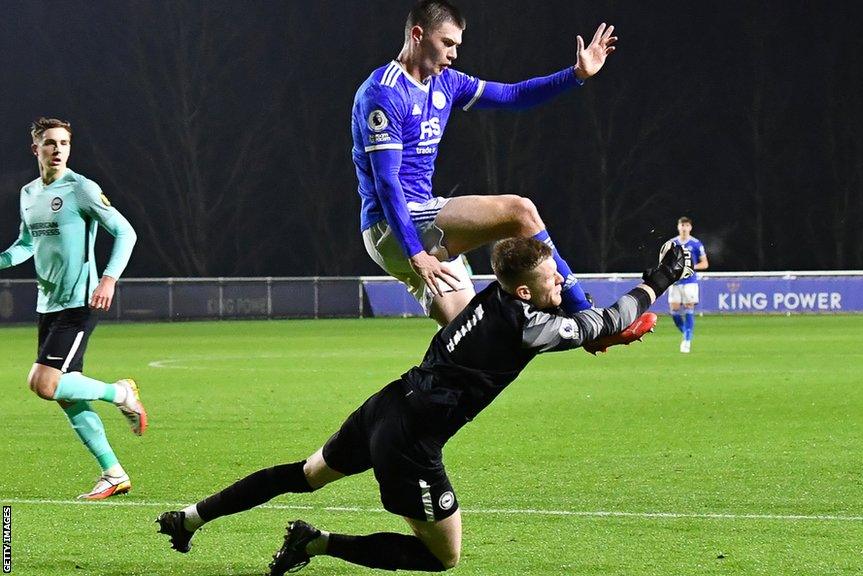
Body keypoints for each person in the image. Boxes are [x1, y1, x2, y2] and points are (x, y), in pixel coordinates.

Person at [157, 238, 692, 574]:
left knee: (303, 473)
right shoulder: (528, 327)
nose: (562, 281)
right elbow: (604, 321)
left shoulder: (492, 296)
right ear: (525, 292)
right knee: (442, 557)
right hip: (409, 443)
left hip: (387, 404)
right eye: (553, 277)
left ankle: (190, 517)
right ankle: (316, 544)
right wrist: (659, 280)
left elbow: (587, 318)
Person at [354, 0, 618, 325]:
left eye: (457, 46)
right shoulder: (384, 93)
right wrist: (416, 253)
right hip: (392, 227)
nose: (453, 54)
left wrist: (575, 74)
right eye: (447, 43)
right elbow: (387, 182)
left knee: (473, 340)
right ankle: (584, 314)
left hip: (420, 224)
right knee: (520, 212)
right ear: (418, 35)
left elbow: (512, 96)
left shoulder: (446, 83)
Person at [0, 117, 146, 499]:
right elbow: (25, 245)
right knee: (66, 394)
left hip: (82, 300)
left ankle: (120, 392)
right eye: (50, 143)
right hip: (48, 302)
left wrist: (109, 278)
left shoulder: (81, 188)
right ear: (36, 149)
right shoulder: (28, 193)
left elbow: (125, 232)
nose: (58, 149)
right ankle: (113, 473)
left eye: (64, 143)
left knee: (43, 383)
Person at [660, 216, 709, 353]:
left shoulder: (696, 244)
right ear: (678, 227)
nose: (684, 228)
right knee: (674, 311)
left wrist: (691, 267)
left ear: (690, 228)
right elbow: (665, 262)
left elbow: (705, 263)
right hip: (675, 282)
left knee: (688, 307)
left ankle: (687, 340)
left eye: (687, 226)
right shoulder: (672, 243)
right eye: (682, 225)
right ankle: (686, 333)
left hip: (690, 282)